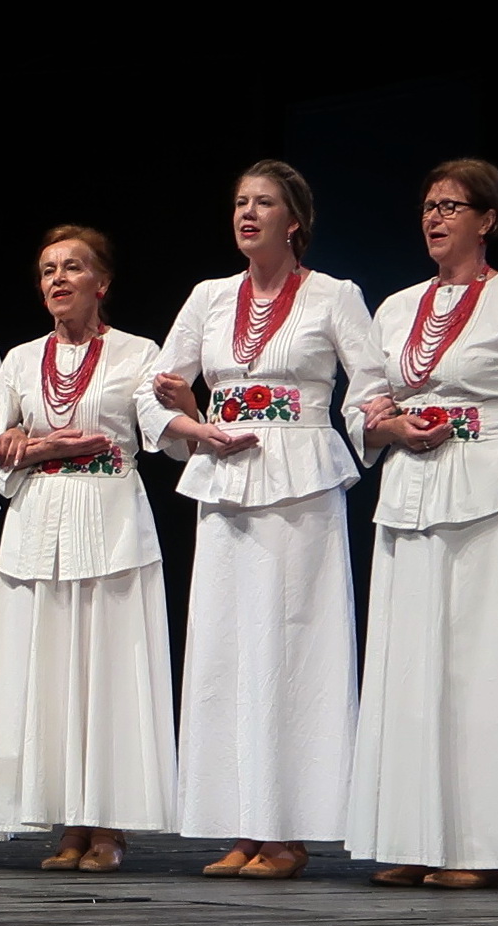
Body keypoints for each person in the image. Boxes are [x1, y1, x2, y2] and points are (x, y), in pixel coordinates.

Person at [137, 159, 387, 880]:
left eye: (264, 203)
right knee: (226, 648)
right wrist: (195, 429)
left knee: (295, 645)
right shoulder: (210, 297)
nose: (247, 214)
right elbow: (154, 388)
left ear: (294, 221)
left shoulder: (335, 295)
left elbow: (369, 385)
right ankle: (242, 822)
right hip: (226, 480)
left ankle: (291, 828)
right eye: (241, 202)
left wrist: (380, 422)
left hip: (300, 481)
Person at [349, 158, 498, 890]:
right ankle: (414, 834)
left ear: (487, 220)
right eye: (428, 206)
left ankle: (482, 843)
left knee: (484, 660)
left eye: (451, 206)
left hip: (487, 486)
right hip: (411, 489)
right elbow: (363, 399)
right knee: (411, 663)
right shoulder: (396, 307)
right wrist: (384, 425)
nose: (435, 218)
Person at [0, 226, 178, 872]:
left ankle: (109, 823)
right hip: (39, 524)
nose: (57, 279)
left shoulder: (137, 352)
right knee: (50, 675)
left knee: (107, 672)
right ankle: (67, 821)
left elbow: (163, 435)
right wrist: (42, 446)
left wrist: (192, 417)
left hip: (110, 521)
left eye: (71, 267)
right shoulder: (19, 360)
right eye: (47, 270)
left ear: (102, 283)